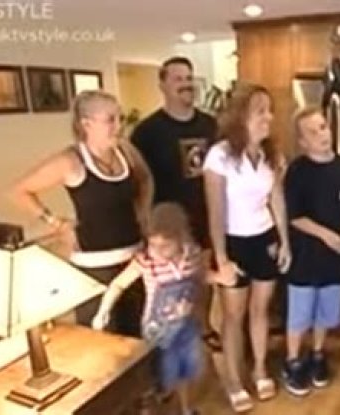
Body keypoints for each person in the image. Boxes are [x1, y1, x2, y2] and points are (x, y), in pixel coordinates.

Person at [9, 90, 153, 337]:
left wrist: (143, 214)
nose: (119, 126)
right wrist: (55, 222)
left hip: (135, 261)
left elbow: (145, 180)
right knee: (103, 340)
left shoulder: (126, 151)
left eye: (120, 118)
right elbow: (19, 191)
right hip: (95, 267)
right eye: (110, 120)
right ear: (86, 124)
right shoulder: (70, 161)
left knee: (139, 339)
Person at [92, 203, 230, 415]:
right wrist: (103, 310)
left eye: (165, 246)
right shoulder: (146, 262)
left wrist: (220, 277)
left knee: (184, 372)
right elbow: (118, 284)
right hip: (156, 330)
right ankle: (155, 403)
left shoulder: (192, 255)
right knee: (156, 375)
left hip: (185, 327)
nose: (157, 251)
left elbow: (201, 276)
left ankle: (186, 409)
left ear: (181, 239)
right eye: (152, 245)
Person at [203, 83, 291, 413]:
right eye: (260, 112)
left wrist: (284, 241)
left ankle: (259, 370)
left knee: (261, 310)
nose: (269, 118)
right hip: (233, 242)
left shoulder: (272, 155)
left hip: (264, 238)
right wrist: (222, 258)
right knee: (232, 317)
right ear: (241, 117)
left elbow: (277, 200)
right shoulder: (219, 156)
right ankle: (233, 381)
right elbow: (215, 211)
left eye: (270, 111)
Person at [131, 56, 221, 349]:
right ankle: (175, 333)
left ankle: (204, 326)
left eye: (188, 78)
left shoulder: (210, 125)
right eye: (178, 79)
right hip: (168, 221)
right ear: (163, 85)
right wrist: (144, 219)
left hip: (206, 214)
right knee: (172, 282)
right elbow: (138, 180)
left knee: (203, 274)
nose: (185, 84)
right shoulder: (147, 132)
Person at [281, 107, 340, 396]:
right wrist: (325, 235)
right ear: (302, 142)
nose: (322, 135)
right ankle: (293, 360)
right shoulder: (297, 171)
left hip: (335, 258)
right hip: (305, 257)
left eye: (323, 127)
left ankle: (317, 354)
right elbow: (295, 216)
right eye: (313, 132)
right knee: (300, 313)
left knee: (325, 312)